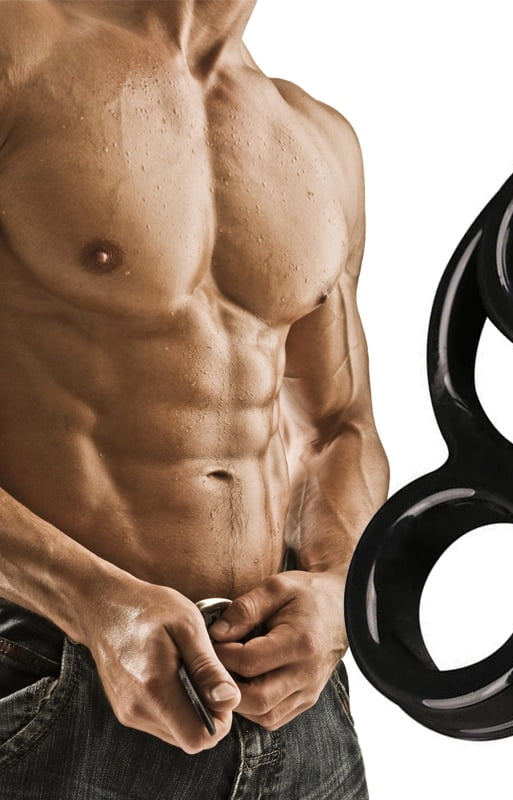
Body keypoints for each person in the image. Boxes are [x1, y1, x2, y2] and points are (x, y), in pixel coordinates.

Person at [0, 1, 389, 797]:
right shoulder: (16, 56)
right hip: (59, 684)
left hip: (297, 715)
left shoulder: (320, 139)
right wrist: (93, 603)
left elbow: (337, 429)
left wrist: (339, 591)